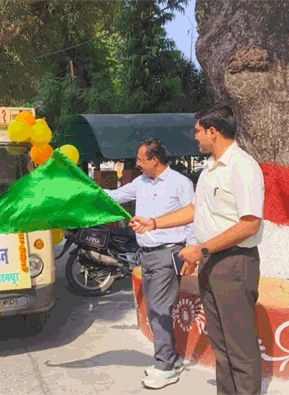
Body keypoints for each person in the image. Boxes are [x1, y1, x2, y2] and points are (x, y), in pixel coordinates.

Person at [131, 105, 265, 395]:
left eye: (198, 131)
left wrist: (201, 250)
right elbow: (195, 210)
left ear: (213, 132)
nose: (196, 137)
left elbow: (249, 224)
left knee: (239, 344)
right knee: (221, 342)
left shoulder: (243, 167)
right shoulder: (209, 170)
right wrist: (153, 223)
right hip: (211, 263)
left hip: (234, 263)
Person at [104, 138, 196, 389]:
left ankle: (166, 366)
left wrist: (191, 252)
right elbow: (114, 197)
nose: (138, 164)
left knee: (159, 308)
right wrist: (84, 193)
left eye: (141, 160)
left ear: (155, 159)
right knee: (155, 308)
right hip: (146, 254)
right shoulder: (140, 183)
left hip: (169, 253)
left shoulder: (180, 183)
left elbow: (192, 217)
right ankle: (171, 359)